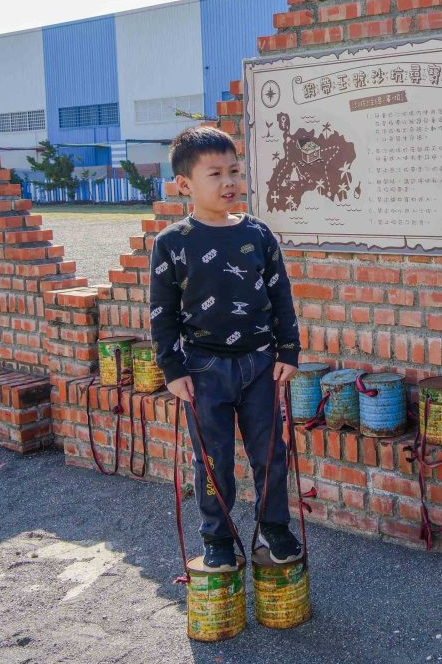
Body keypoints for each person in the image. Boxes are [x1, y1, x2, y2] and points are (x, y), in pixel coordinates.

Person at [149, 126, 302, 572]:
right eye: (214, 174)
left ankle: (274, 527)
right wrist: (172, 370)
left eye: (234, 171)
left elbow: (281, 295)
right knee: (212, 461)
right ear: (185, 185)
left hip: (260, 365)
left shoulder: (257, 234)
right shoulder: (173, 243)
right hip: (202, 370)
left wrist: (288, 352)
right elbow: (163, 313)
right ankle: (217, 537)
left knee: (270, 453)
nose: (229, 182)